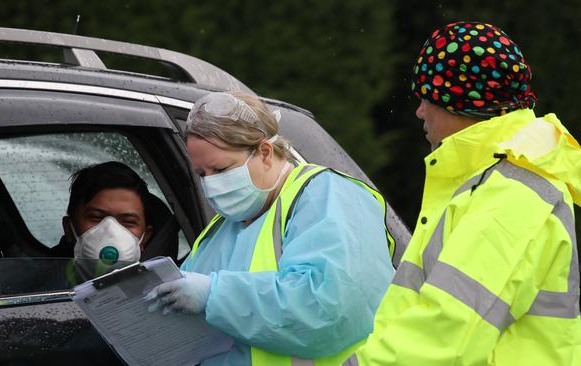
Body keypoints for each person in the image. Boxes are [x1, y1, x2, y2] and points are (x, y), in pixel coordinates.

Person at [356, 21, 581, 365]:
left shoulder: (513, 193)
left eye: (427, 96)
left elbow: (447, 335)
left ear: (463, 102)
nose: (419, 111)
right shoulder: (487, 180)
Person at [144, 91, 395, 365]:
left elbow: (330, 308)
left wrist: (216, 295)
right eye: (202, 174)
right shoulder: (224, 226)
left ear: (264, 152)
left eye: (221, 169)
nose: (211, 185)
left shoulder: (329, 196)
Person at [51, 161, 154, 263]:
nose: (111, 231)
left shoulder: (162, 279)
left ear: (145, 238)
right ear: (68, 228)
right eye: (96, 217)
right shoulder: (40, 276)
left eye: (128, 221)